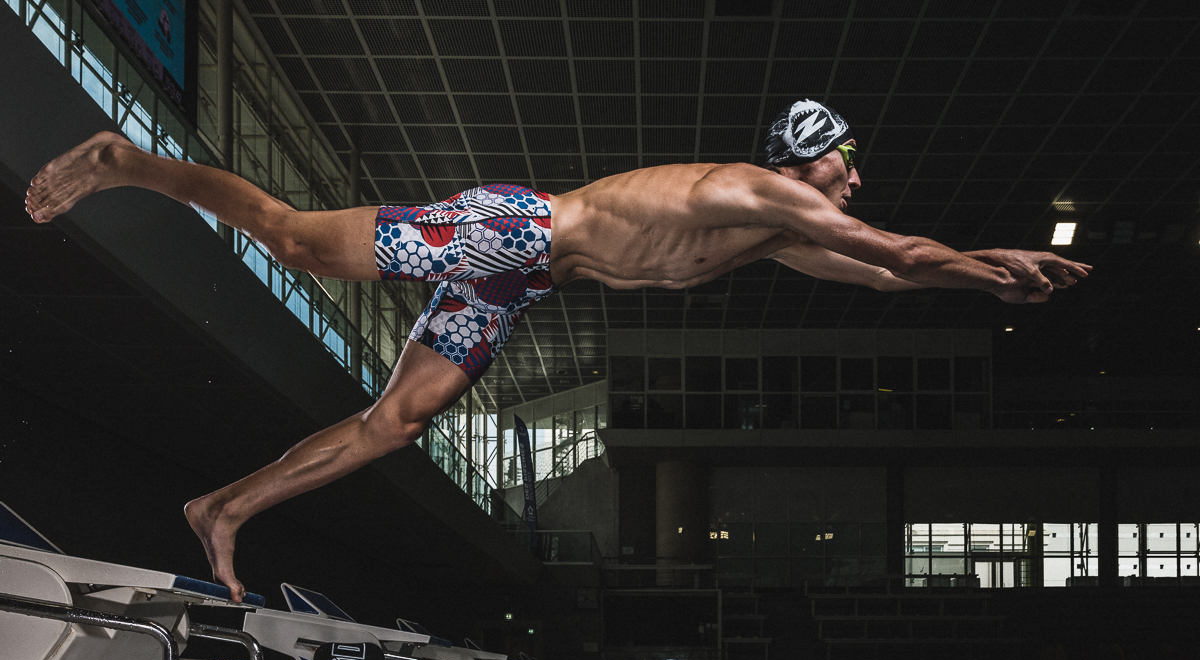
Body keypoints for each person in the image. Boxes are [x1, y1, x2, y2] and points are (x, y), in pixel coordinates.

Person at [24, 98, 1091, 602]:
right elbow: (890, 245)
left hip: (518, 281)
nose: (855, 179)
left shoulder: (775, 235)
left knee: (396, 427)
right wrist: (989, 256)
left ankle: (221, 512)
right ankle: (130, 160)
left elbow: (887, 269)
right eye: (846, 162)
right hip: (511, 232)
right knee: (299, 241)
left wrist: (975, 273)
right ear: (803, 163)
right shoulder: (753, 190)